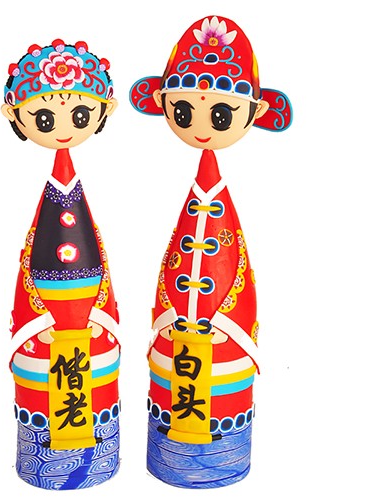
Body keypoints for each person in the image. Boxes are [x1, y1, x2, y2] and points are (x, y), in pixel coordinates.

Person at [130, 15, 292, 488]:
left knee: (217, 397)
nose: (201, 127)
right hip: (178, 337)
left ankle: (214, 464)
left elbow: (237, 284)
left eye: (220, 115)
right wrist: (169, 319)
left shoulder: (218, 206)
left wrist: (224, 327)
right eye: (184, 111)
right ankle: (173, 459)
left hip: (221, 342)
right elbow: (171, 283)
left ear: (256, 112)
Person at [1, 39, 120, 490]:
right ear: (15, 116)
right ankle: (48, 464)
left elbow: (100, 283)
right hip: (48, 336)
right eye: (45, 118)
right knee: (50, 395)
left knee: (93, 382)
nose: (64, 129)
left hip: (89, 331)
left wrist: (97, 320)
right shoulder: (56, 200)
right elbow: (27, 286)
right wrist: (39, 326)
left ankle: (96, 460)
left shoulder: (68, 200)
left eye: (80, 114)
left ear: (103, 111)